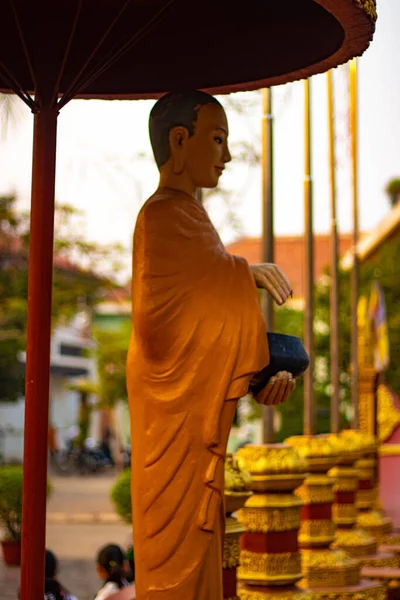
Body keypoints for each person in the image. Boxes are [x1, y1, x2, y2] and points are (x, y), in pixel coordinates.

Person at [126, 90, 296, 600]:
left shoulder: (194, 221)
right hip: (167, 423)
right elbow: (160, 328)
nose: (226, 156)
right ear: (180, 141)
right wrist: (243, 275)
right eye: (217, 139)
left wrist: (257, 377)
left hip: (192, 426)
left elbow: (204, 337)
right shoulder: (160, 218)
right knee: (172, 561)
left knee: (201, 556)